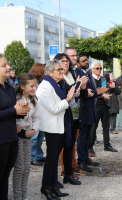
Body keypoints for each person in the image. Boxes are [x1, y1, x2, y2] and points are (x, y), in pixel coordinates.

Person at [37, 59, 75, 199]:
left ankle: (53, 186)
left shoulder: (56, 84)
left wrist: (69, 97)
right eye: (59, 69)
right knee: (51, 160)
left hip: (59, 126)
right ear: (50, 73)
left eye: (62, 69)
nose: (62, 71)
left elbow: (62, 102)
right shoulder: (46, 86)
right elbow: (54, 108)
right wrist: (68, 99)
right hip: (52, 127)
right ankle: (45, 188)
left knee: (53, 160)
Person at [54, 53, 88, 185]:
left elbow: (81, 94)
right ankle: (64, 172)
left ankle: (69, 173)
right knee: (63, 146)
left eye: (67, 60)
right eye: (62, 61)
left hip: (74, 115)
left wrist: (82, 86)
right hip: (64, 116)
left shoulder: (72, 75)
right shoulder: (57, 78)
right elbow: (66, 94)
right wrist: (77, 86)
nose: (66, 62)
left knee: (70, 145)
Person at [0, 54, 30, 200]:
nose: (8, 67)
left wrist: (21, 111)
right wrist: (14, 111)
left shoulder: (10, 88)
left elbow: (12, 112)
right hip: (1, 140)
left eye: (7, 64)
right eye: (4, 65)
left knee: (5, 176)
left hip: (11, 138)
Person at [76, 55, 108, 172]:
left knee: (88, 136)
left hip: (90, 108)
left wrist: (97, 92)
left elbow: (90, 92)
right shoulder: (78, 72)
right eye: (83, 61)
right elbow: (85, 92)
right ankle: (81, 161)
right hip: (84, 109)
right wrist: (98, 91)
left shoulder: (87, 73)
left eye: (86, 60)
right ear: (78, 63)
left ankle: (85, 158)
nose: (86, 62)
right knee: (82, 136)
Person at [13, 73, 40, 200]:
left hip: (28, 136)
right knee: (19, 168)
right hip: (18, 136)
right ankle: (17, 196)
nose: (34, 88)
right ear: (22, 87)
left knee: (27, 167)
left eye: (35, 85)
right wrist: (16, 126)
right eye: (32, 86)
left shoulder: (34, 100)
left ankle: (24, 195)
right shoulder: (16, 99)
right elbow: (12, 115)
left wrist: (34, 129)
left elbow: (37, 118)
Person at [88, 61, 118, 156]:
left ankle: (107, 145)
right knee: (93, 127)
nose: (99, 70)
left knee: (106, 126)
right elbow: (92, 93)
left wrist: (110, 87)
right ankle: (90, 146)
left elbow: (105, 88)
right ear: (92, 69)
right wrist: (102, 95)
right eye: (97, 68)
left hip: (104, 105)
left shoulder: (103, 78)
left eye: (100, 68)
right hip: (95, 105)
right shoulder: (89, 79)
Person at [29, 63, 46, 166]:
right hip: (33, 113)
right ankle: (32, 157)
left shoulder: (42, 82)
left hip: (42, 112)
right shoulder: (31, 82)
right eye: (43, 70)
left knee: (40, 136)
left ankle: (39, 155)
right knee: (34, 137)